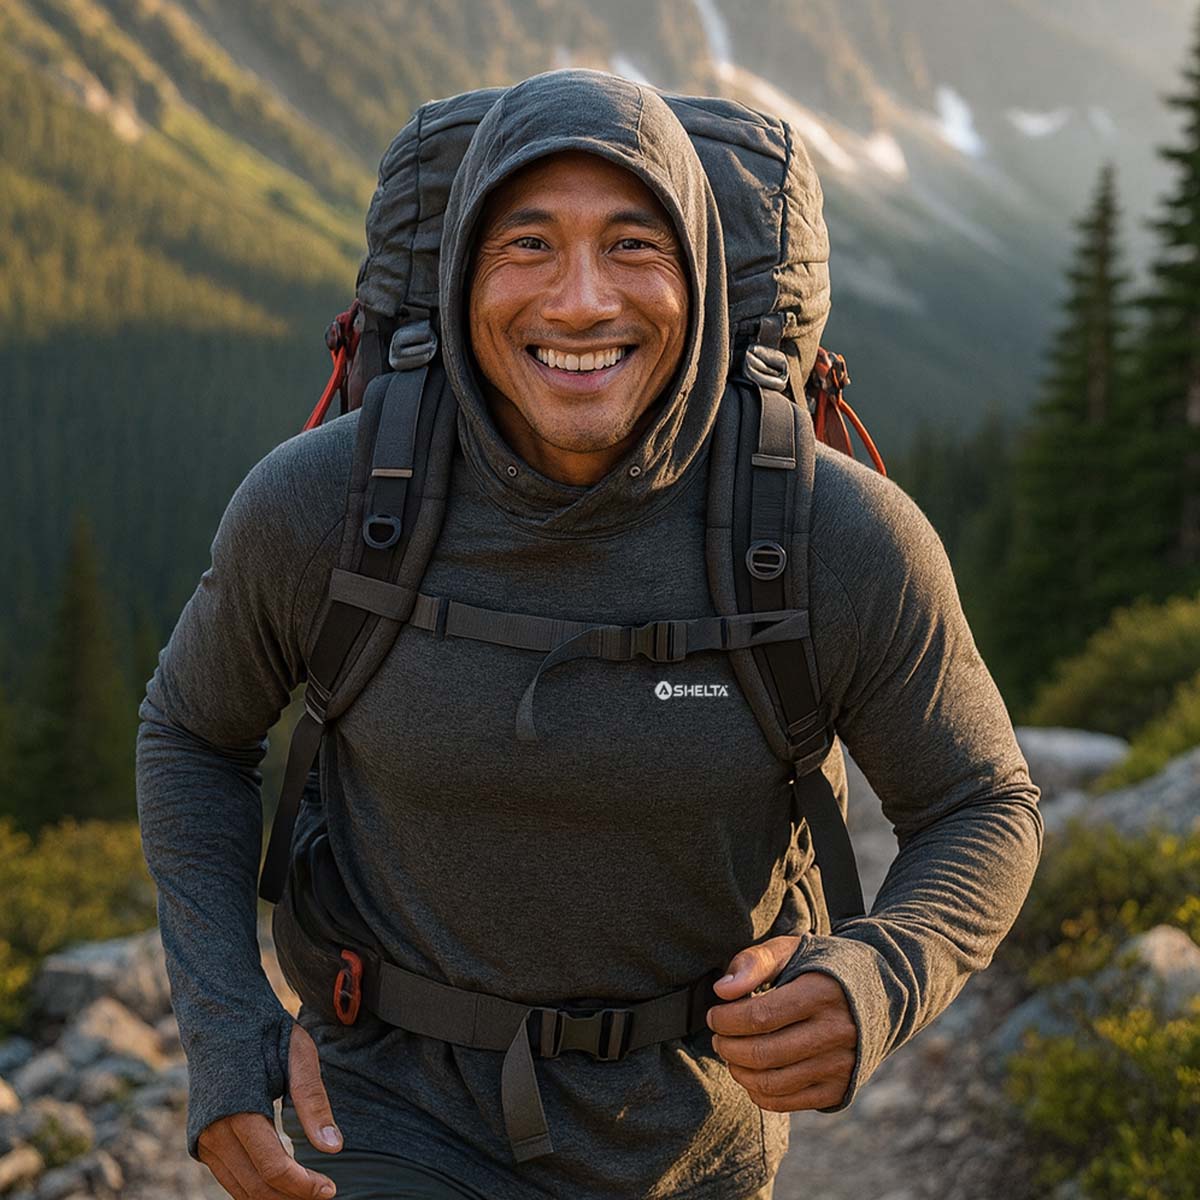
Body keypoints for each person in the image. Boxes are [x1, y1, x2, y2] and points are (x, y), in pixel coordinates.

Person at [136, 69, 1043, 1200]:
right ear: (464, 274)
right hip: (385, 1114)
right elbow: (189, 734)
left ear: (702, 279)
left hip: (698, 1138)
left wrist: (880, 977)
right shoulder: (327, 505)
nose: (578, 303)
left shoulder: (834, 538)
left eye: (632, 245)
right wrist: (229, 1043)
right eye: (526, 245)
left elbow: (983, 803)